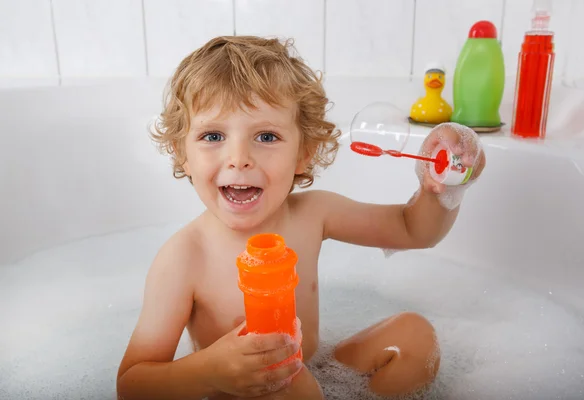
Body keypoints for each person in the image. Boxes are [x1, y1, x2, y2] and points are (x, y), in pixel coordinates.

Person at [116, 35, 486, 400]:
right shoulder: (184, 257)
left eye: (266, 136)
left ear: (304, 152)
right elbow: (132, 385)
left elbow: (412, 230)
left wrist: (444, 188)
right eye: (213, 135)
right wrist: (209, 371)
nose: (238, 157)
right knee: (283, 385)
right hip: (235, 392)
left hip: (313, 375)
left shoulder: (313, 214)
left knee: (414, 336)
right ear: (182, 154)